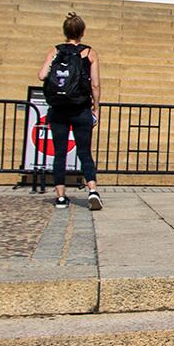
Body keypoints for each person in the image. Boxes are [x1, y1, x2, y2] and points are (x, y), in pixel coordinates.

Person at [37, 11, 102, 210]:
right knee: (84, 152)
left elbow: (41, 76)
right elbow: (95, 85)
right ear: (82, 32)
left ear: (65, 31)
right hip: (80, 108)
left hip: (58, 109)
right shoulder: (89, 53)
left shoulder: (55, 51)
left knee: (59, 153)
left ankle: (61, 197)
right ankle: (92, 189)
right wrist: (96, 108)